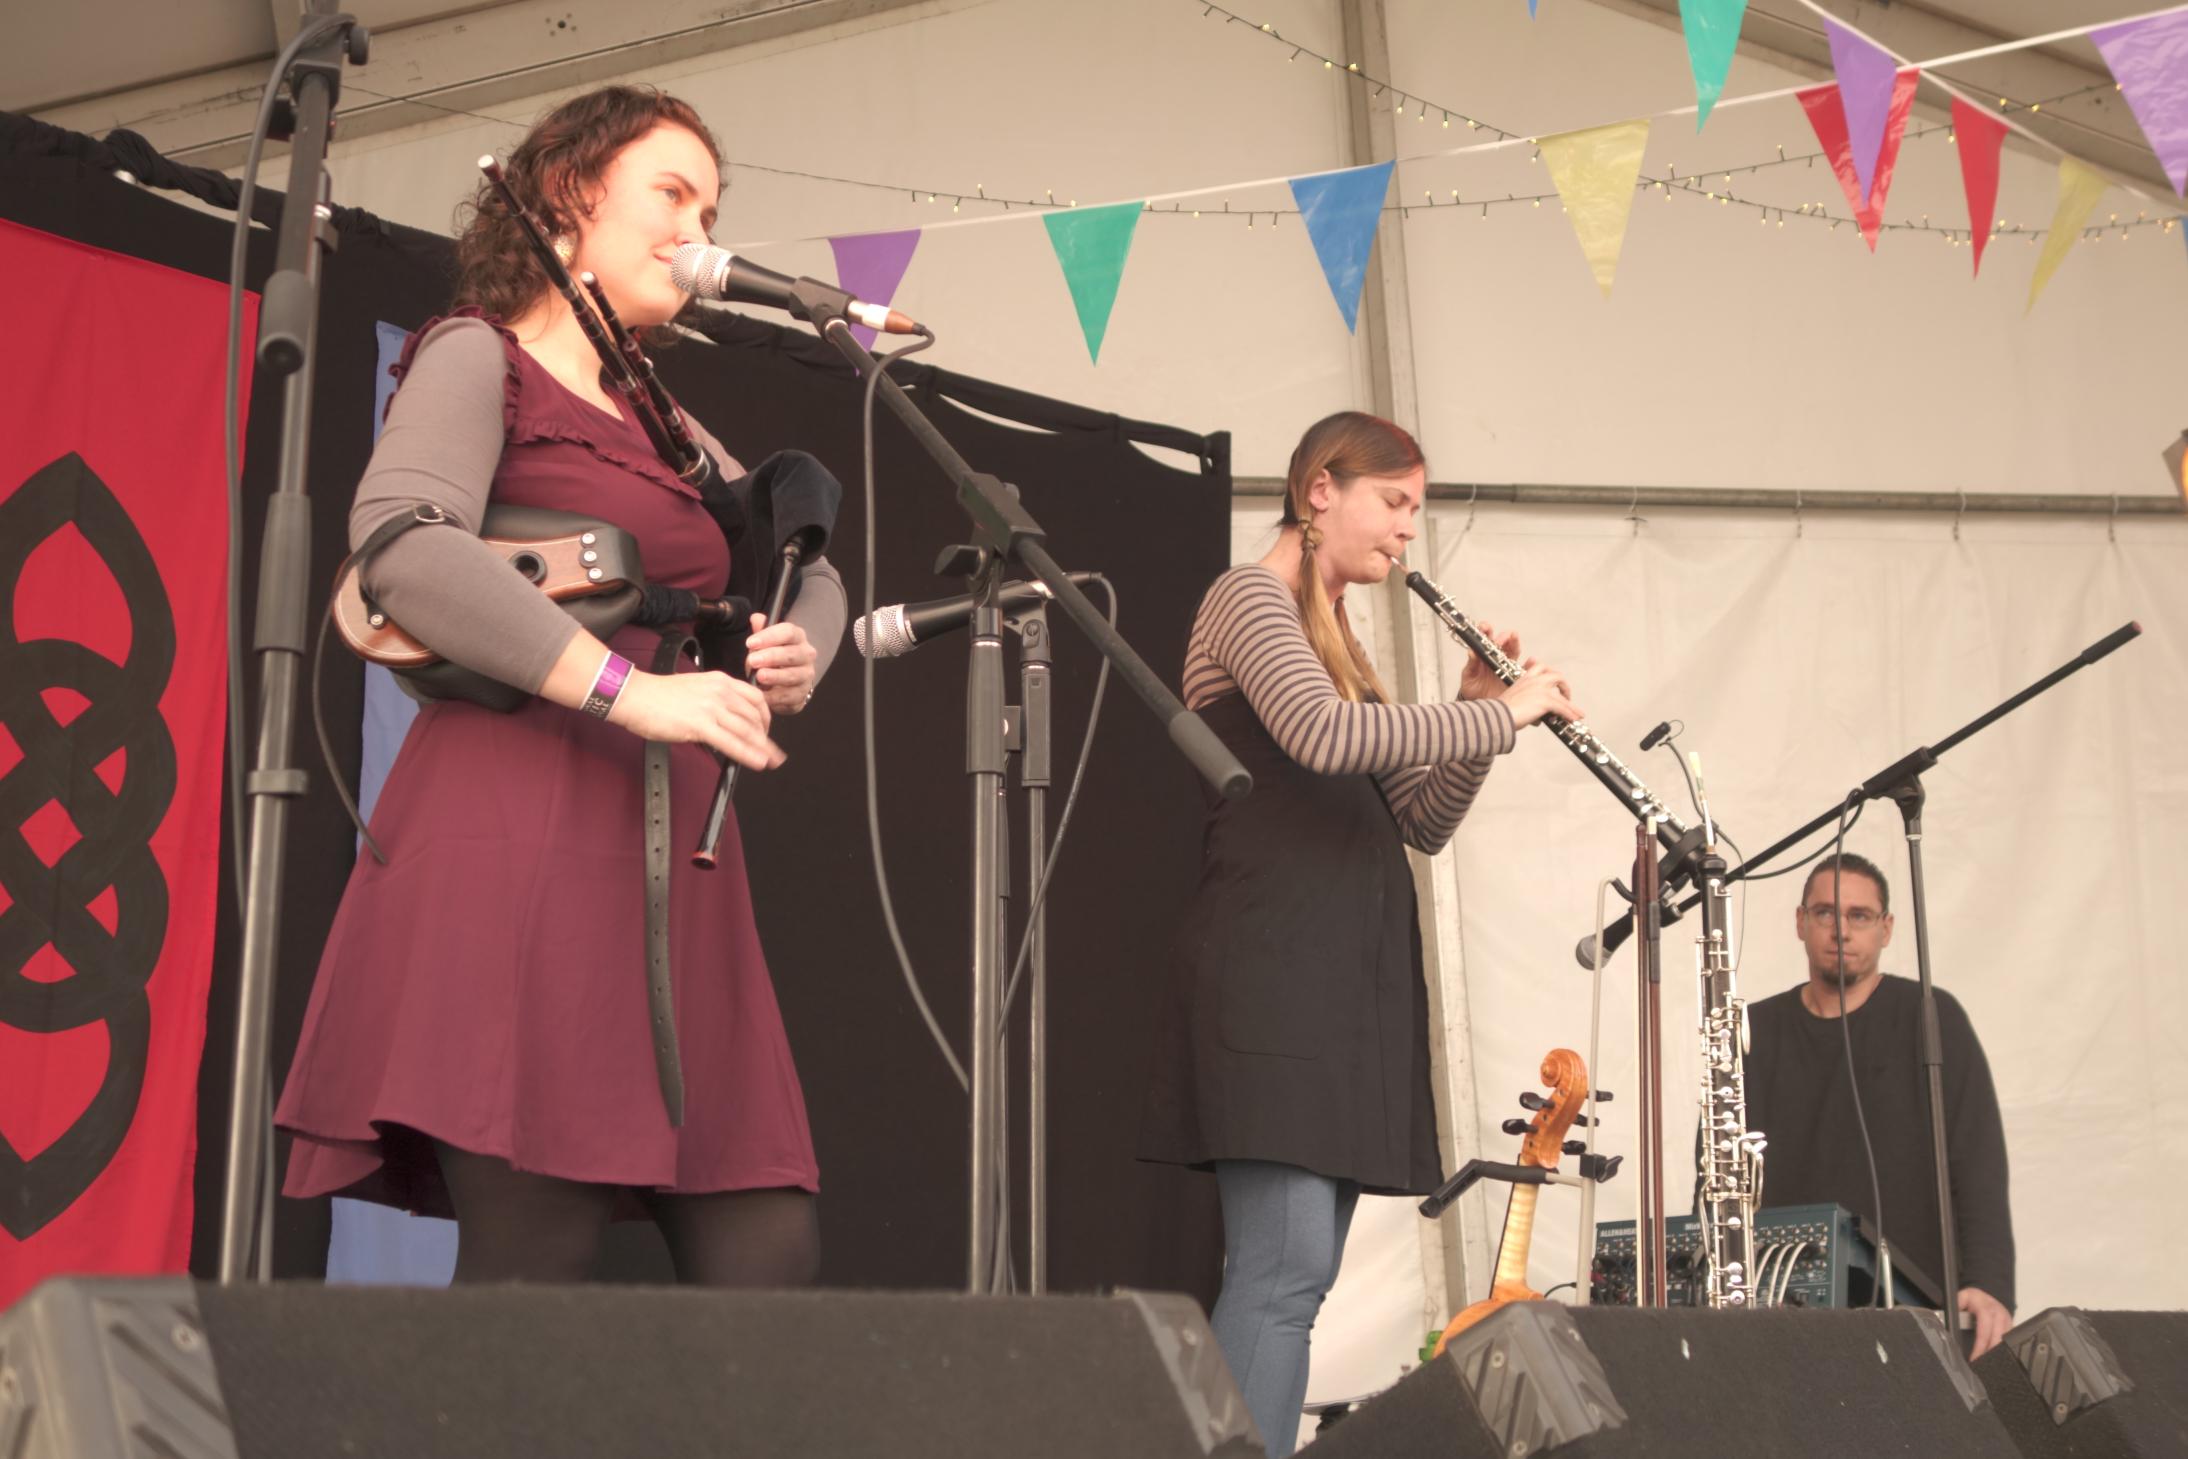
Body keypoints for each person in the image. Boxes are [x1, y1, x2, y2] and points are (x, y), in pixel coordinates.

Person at [275, 86, 846, 1287]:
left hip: (676, 879)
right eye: (672, 194)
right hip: (516, 836)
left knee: (768, 1259)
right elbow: (404, 547)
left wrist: (799, 643)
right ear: (569, 195)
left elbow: (809, 568)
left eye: (711, 211)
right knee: (537, 1258)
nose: (697, 231)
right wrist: (630, 692)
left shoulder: (664, 417)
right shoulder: (477, 354)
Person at [1138, 412, 1581, 1456]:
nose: (1406, 529)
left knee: (1299, 1279)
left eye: (1414, 510)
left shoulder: (1334, 635)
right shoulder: (1247, 596)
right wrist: (1504, 714)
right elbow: (1324, 736)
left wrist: (1473, 720)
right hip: (1272, 976)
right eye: (1394, 502)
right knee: (1280, 1273)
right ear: (1320, 490)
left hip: (1333, 987)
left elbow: (1418, 820)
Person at [1741, 852, 2016, 1355]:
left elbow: (1977, 1159)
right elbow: (1718, 1176)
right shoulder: (1752, 1030)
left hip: (1916, 1314)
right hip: (1776, 1317)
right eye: (1825, 913)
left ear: (1886, 929)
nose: (1841, 931)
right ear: (1800, 922)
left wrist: (1988, 1282)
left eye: (1859, 916)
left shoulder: (1931, 1015)